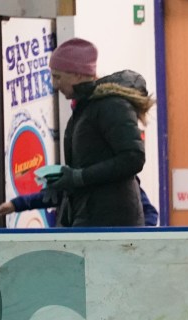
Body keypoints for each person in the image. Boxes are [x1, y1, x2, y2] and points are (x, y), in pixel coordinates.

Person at [46, 37, 154, 227]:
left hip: (112, 223)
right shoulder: (85, 109)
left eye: (58, 77)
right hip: (91, 217)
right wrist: (68, 182)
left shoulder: (111, 106)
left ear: (78, 75)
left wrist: (79, 177)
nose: (54, 85)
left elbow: (133, 157)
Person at [0, 179, 159, 227]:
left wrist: (140, 235)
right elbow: (52, 196)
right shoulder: (79, 177)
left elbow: (150, 212)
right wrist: (17, 204)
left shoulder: (124, 181)